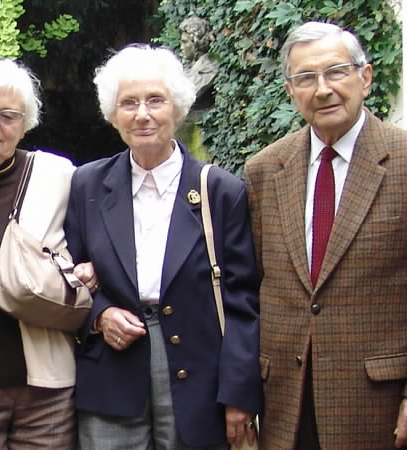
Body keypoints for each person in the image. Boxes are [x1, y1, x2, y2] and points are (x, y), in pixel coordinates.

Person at [243, 21, 407, 449]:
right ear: (290, 90)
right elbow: (253, 287)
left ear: (365, 77)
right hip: (286, 403)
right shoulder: (264, 170)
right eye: (306, 78)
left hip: (381, 406)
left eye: (336, 72)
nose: (322, 89)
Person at [64, 44, 261, 450]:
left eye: (155, 100)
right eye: (128, 103)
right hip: (111, 376)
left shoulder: (220, 191)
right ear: (112, 114)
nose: (142, 114)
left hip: (200, 377)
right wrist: (99, 316)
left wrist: (239, 393)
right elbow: (66, 273)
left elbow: (242, 300)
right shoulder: (87, 184)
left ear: (178, 108)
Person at [0, 58, 91, 448]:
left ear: (26, 124)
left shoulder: (57, 176)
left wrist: (91, 267)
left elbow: (100, 240)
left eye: (8, 115)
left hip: (48, 392)